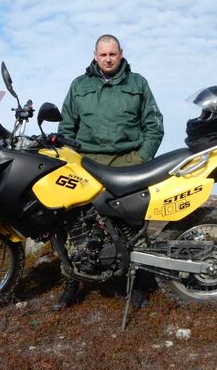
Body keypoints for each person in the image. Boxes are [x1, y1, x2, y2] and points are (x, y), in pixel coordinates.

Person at [52, 34, 164, 311]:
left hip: (127, 162)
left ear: (121, 53)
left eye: (113, 54)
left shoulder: (138, 83)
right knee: (73, 224)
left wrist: (141, 158)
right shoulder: (79, 85)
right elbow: (66, 128)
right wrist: (71, 160)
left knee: (132, 226)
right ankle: (72, 281)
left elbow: (153, 124)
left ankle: (135, 282)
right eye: (103, 55)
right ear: (95, 55)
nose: (108, 59)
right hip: (87, 164)